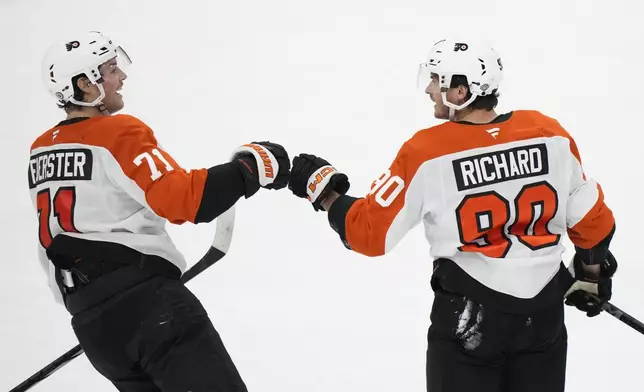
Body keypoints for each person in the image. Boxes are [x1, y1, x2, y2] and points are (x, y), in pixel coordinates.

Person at [286, 38, 617, 392]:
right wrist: (591, 274)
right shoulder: (549, 133)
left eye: (437, 80)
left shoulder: (427, 152)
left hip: (470, 319)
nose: (430, 89)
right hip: (543, 320)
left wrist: (326, 195)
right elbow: (592, 224)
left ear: (461, 91)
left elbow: (370, 234)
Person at [29, 31, 290, 392]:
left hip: (95, 330)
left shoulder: (40, 150)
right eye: (110, 69)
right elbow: (184, 200)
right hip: (150, 311)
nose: (121, 77)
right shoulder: (116, 132)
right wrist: (249, 170)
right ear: (85, 86)